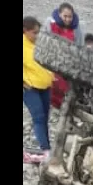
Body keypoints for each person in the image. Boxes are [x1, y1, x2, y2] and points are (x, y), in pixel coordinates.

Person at [23, 16, 55, 163]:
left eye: (38, 32)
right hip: (30, 88)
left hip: (45, 86)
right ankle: (46, 149)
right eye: (34, 33)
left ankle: (47, 148)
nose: (37, 35)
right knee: (39, 117)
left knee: (45, 118)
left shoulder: (40, 43)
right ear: (25, 31)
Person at [47, 2, 85, 109]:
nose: (68, 19)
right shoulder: (50, 24)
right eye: (65, 16)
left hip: (68, 62)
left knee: (65, 87)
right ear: (59, 14)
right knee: (52, 84)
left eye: (70, 16)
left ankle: (63, 107)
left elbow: (80, 47)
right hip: (53, 60)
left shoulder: (77, 28)